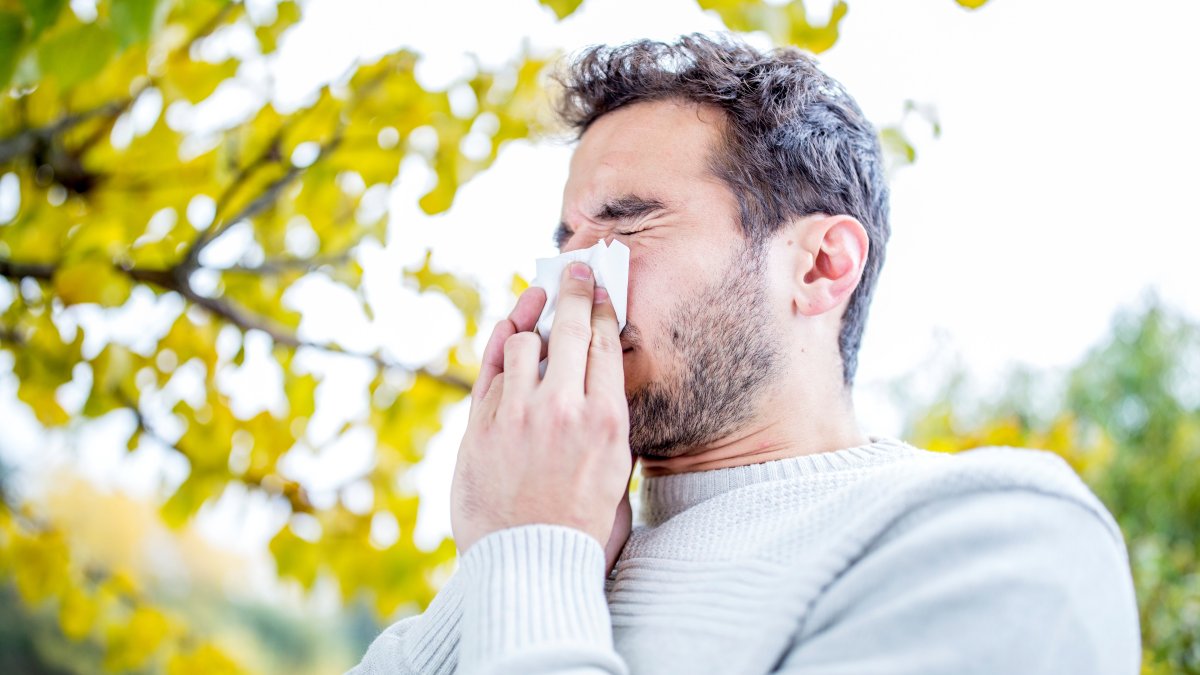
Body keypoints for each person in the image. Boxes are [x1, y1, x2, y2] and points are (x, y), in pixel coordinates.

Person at [350, 33, 1140, 674]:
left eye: (627, 224)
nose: (570, 283)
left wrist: (531, 556)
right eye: (566, 243)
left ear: (821, 266)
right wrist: (516, 553)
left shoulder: (994, 538)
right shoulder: (549, 547)